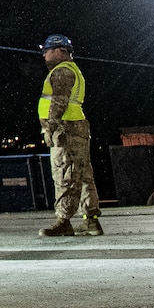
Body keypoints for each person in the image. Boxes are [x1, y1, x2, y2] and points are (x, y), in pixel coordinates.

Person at [38, 34, 103, 237]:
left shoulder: (62, 72)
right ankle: (91, 220)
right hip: (78, 126)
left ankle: (64, 221)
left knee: (65, 173)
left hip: (66, 128)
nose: (44, 55)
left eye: (47, 50)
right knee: (83, 174)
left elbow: (59, 102)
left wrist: (50, 127)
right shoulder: (74, 70)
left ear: (59, 51)